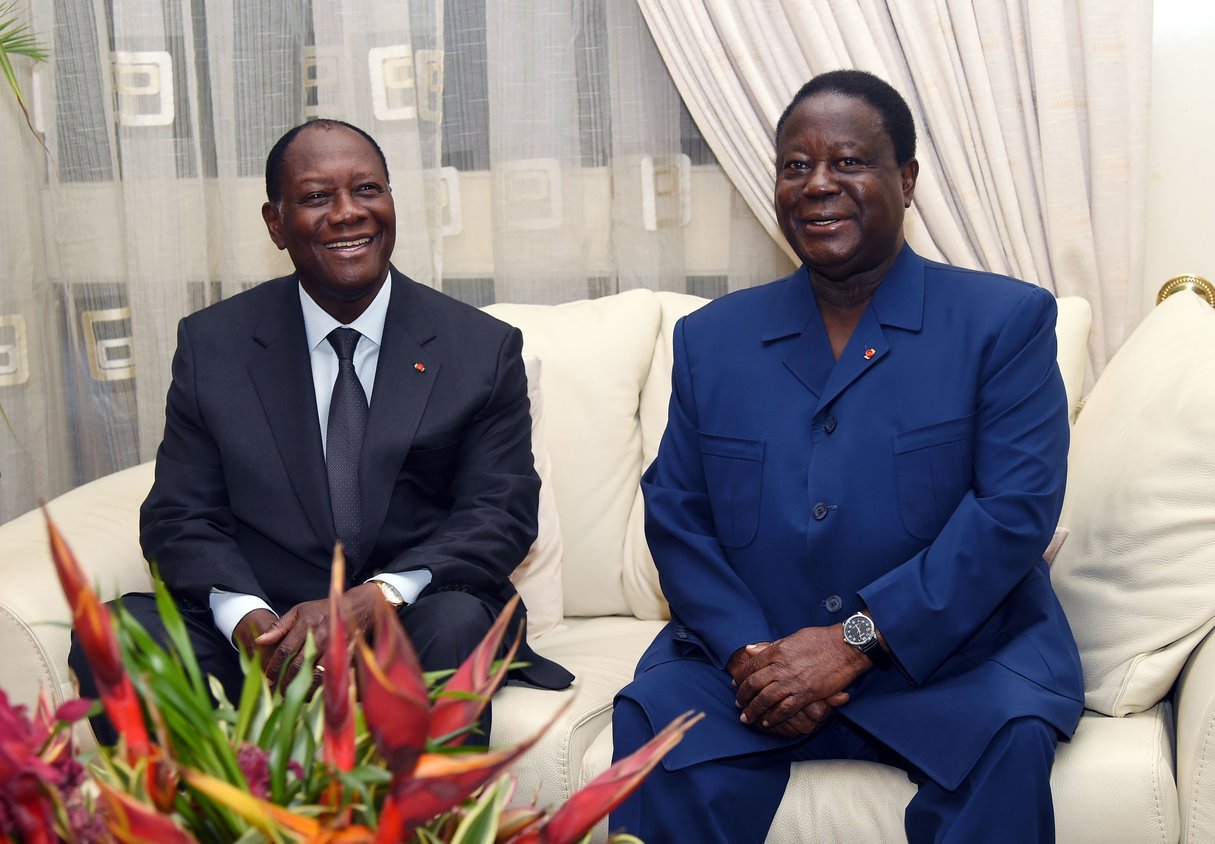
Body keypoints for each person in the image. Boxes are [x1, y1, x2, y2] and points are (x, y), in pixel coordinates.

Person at [610, 70, 1083, 842]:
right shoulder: (711, 340)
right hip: (750, 664)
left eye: (848, 163)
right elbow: (677, 516)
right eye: (795, 166)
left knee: (1007, 736)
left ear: (906, 179)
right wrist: (747, 655)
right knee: (657, 729)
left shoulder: (1003, 321)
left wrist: (853, 642)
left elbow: (1012, 514)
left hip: (954, 656)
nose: (818, 185)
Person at [69, 119, 572, 745]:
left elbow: (500, 513)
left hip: (412, 618)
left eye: (367, 190)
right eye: (315, 197)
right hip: (268, 628)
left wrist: (374, 599)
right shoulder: (213, 345)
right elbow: (180, 517)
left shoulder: (478, 348)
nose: (347, 214)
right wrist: (247, 620)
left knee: (456, 621)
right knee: (116, 632)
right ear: (275, 223)